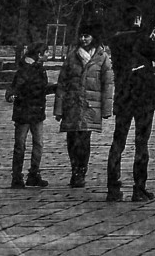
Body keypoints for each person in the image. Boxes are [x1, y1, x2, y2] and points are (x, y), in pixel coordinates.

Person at [107, 13, 155, 201]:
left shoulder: (115, 41)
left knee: (118, 142)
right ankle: (139, 187)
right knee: (141, 143)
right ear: (137, 19)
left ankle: (113, 187)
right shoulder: (143, 40)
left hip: (124, 96)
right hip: (143, 96)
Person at [56, 21, 111, 190]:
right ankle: (74, 169)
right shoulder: (72, 56)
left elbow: (108, 84)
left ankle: (81, 171)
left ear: (93, 37)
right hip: (72, 105)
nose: (83, 39)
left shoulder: (102, 57)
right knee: (72, 139)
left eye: (86, 36)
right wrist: (58, 108)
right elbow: (62, 83)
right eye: (81, 36)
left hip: (90, 106)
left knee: (84, 140)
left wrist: (106, 109)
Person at [5, 43, 51, 187]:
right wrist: (11, 95)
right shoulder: (25, 70)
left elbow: (42, 88)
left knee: (37, 144)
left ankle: (32, 174)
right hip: (25, 112)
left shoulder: (39, 69)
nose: (48, 55)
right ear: (39, 54)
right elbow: (14, 87)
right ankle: (18, 176)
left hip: (35, 111)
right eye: (47, 53)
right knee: (22, 145)